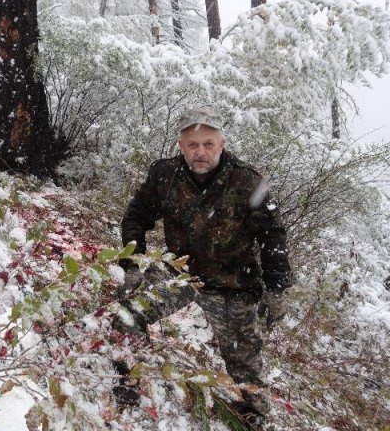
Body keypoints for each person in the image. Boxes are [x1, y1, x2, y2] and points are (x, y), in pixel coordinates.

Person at [118, 106, 292, 422]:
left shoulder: (246, 180)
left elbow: (273, 234)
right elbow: (136, 216)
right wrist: (132, 264)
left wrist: (277, 287)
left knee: (244, 364)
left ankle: (253, 417)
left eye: (208, 144)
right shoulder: (165, 176)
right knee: (129, 312)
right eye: (193, 145)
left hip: (233, 286)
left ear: (222, 144)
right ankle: (130, 384)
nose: (201, 152)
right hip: (181, 276)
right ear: (180, 146)